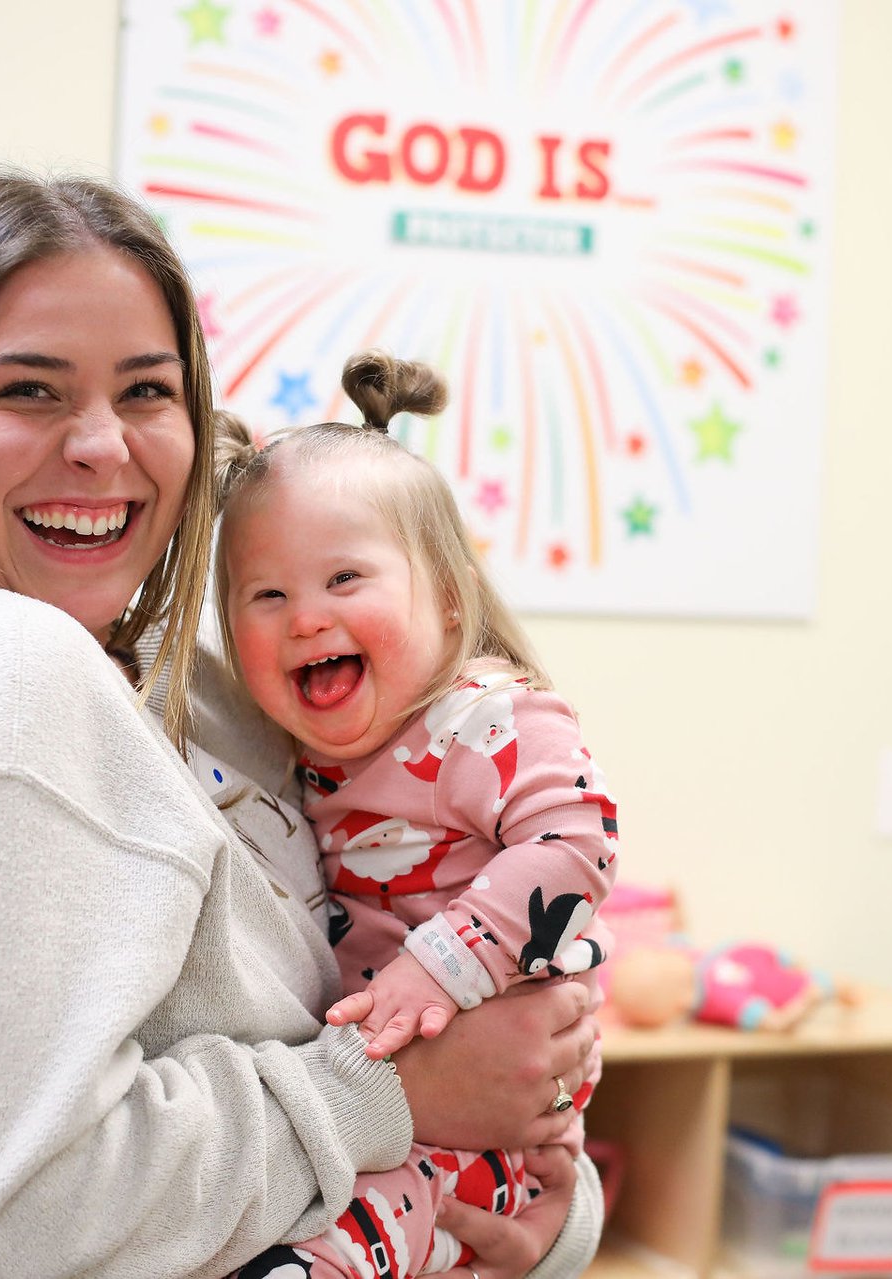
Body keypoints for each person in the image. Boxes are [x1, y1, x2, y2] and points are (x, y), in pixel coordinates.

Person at [0, 171, 603, 1279]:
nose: (101, 445)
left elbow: (433, 1039)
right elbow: (8, 1214)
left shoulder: (204, 686)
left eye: (146, 391)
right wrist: (392, 1092)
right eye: (29, 390)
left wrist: (535, 1194)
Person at [213, 352, 618, 1279]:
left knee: (343, 1237)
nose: (305, 618)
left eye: (344, 579)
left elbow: (580, 839)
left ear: (445, 595)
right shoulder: (297, 753)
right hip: (391, 1103)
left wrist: (441, 965)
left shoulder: (487, 718)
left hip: (476, 1124)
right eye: (267, 595)